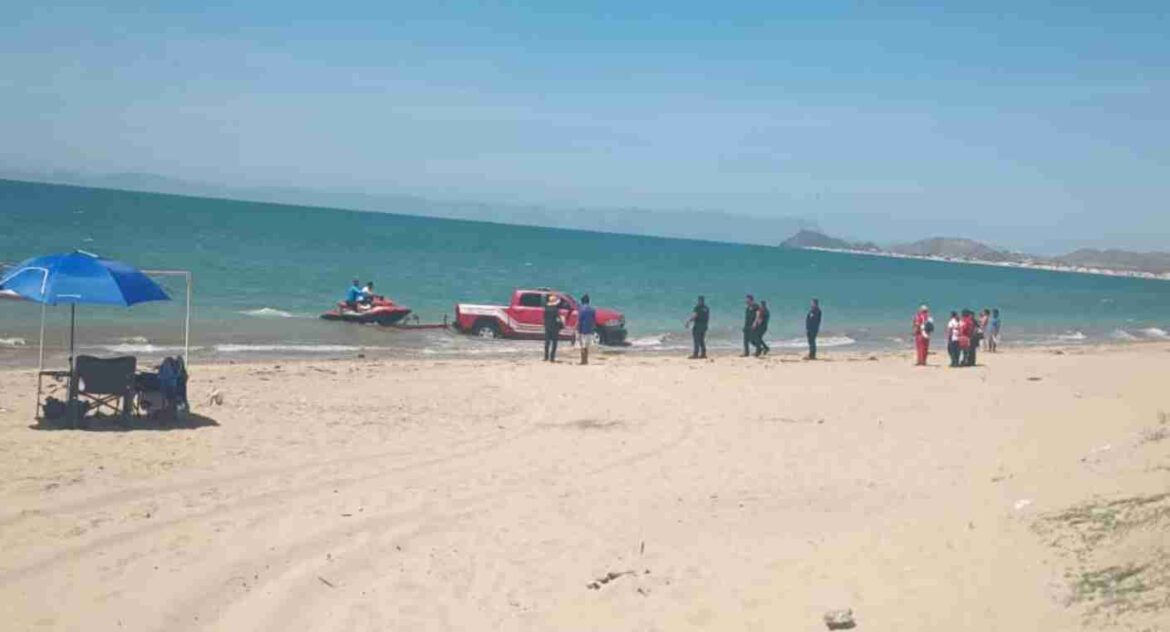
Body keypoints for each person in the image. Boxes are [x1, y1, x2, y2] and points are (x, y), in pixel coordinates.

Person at [576, 294, 596, 365]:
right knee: (587, 346)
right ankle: (586, 360)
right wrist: (593, 330)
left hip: (582, 330)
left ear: (582, 301)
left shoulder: (581, 309)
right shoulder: (592, 309)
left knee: (582, 346)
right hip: (589, 330)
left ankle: (583, 361)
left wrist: (577, 329)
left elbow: (579, 320)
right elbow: (593, 321)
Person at [543, 294, 564, 362]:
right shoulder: (555, 309)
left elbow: (544, 318)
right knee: (554, 343)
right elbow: (557, 319)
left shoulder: (546, 308)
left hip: (547, 326)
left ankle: (546, 357)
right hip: (554, 327)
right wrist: (561, 325)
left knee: (547, 342)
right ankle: (552, 358)